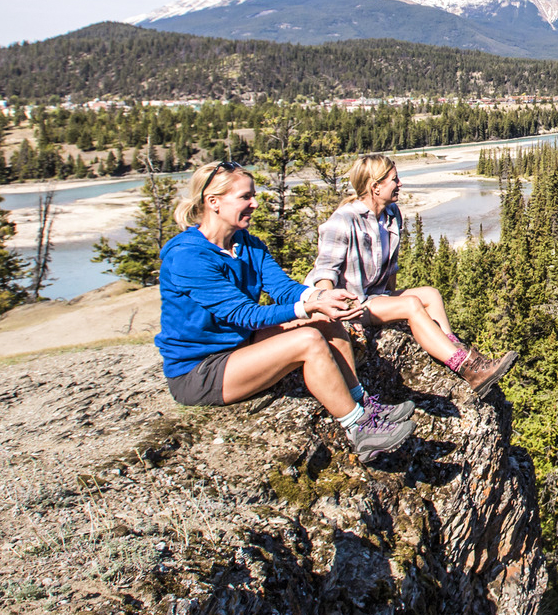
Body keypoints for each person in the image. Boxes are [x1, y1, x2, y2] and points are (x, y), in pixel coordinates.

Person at [156, 160, 417, 463]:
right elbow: (245, 314)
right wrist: (306, 307)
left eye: (253, 196)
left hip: (240, 345)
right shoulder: (188, 256)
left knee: (324, 319)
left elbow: (283, 288)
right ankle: (358, 429)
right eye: (245, 197)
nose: (254, 204)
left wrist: (321, 297)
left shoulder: (247, 244)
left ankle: (362, 403)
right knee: (308, 340)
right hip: (200, 371)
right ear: (213, 202)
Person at [307, 152, 518, 395]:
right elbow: (324, 276)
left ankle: (455, 349)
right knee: (411, 304)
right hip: (350, 305)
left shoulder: (391, 214)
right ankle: (469, 369)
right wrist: (336, 318)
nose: (400, 184)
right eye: (394, 180)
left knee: (430, 294)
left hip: (373, 296)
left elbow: (391, 268)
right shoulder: (343, 221)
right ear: (376, 187)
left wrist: (391, 298)